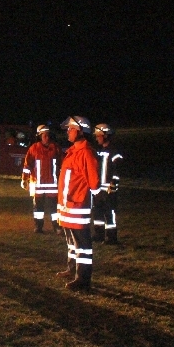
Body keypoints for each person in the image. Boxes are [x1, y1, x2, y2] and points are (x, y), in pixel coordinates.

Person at [56, 115, 101, 291]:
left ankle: (83, 279)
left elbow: (94, 182)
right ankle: (72, 269)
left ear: (81, 131)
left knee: (83, 246)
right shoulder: (73, 151)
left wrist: (94, 199)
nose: (68, 131)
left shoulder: (86, 153)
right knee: (71, 242)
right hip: (67, 207)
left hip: (77, 207)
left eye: (71, 129)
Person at [21, 124, 63, 233]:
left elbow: (62, 164)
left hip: (52, 184)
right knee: (38, 208)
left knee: (54, 208)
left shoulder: (56, 148)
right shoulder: (34, 148)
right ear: (40, 136)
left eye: (48, 135)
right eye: (44, 135)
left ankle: (57, 227)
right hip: (37, 184)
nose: (47, 138)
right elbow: (27, 165)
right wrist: (24, 179)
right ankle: (38, 227)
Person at [92, 123, 123, 244]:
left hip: (109, 189)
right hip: (99, 188)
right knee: (98, 212)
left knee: (109, 213)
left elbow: (118, 169)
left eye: (98, 136)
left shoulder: (114, 151)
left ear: (105, 135)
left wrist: (114, 182)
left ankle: (111, 237)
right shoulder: (99, 151)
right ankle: (99, 234)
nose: (96, 138)